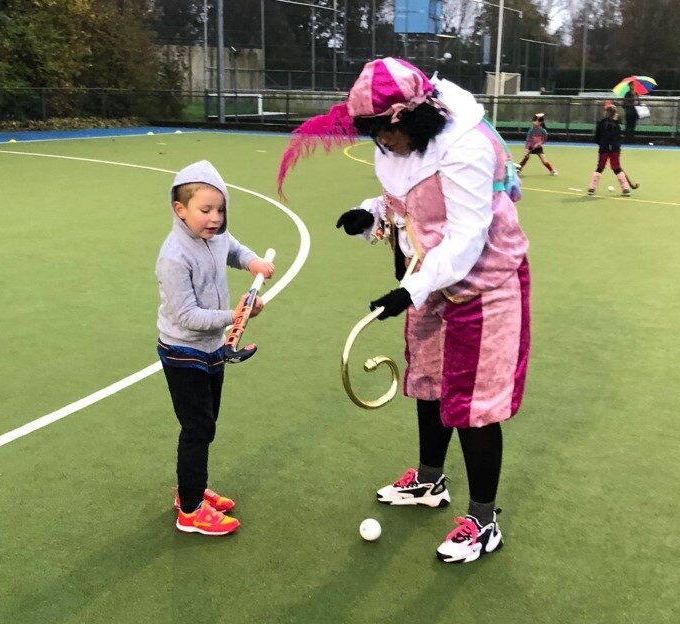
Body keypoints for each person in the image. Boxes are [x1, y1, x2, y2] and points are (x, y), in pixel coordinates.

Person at [277, 58, 530, 564]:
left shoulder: (466, 148)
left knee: (473, 406)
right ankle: (430, 482)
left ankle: (484, 520)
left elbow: (465, 238)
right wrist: (370, 211)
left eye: (378, 133)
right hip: (430, 278)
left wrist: (408, 291)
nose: (377, 144)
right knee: (430, 382)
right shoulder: (403, 142)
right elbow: (408, 198)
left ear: (402, 118)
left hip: (485, 282)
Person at [156, 160, 275, 536]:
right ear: (180, 210)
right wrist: (234, 314)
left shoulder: (217, 236)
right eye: (205, 210)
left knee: (207, 424)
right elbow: (187, 316)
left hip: (212, 348)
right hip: (182, 351)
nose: (215, 218)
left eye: (220, 210)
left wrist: (252, 260)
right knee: (197, 427)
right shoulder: (174, 256)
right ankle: (190, 510)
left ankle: (192, 489)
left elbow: (234, 248)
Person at [588, 102, 637, 196]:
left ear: (606, 112)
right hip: (615, 148)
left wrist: (601, 143)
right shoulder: (617, 124)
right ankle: (626, 189)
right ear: (615, 113)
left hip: (604, 148)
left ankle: (592, 188)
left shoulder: (601, 123)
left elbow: (596, 137)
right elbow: (619, 137)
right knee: (616, 168)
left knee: (600, 167)